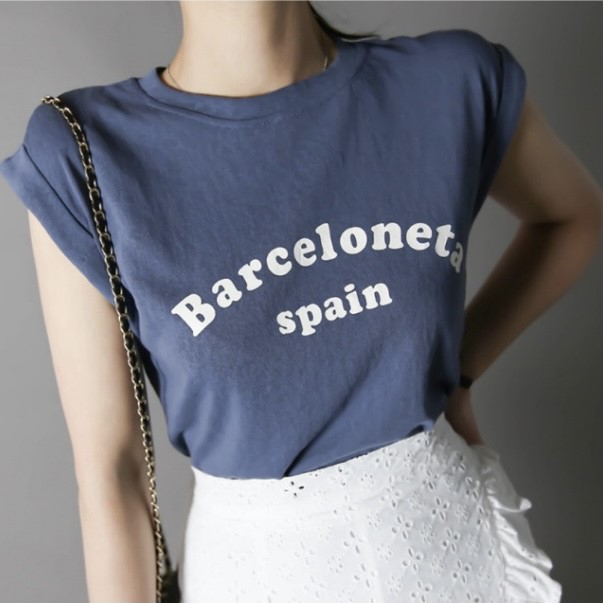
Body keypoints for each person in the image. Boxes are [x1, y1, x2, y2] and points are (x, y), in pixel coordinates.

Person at [1, 1, 601, 601]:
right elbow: (114, 476)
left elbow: (573, 217)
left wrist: (459, 370)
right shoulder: (82, 153)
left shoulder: (450, 80)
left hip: (465, 565)